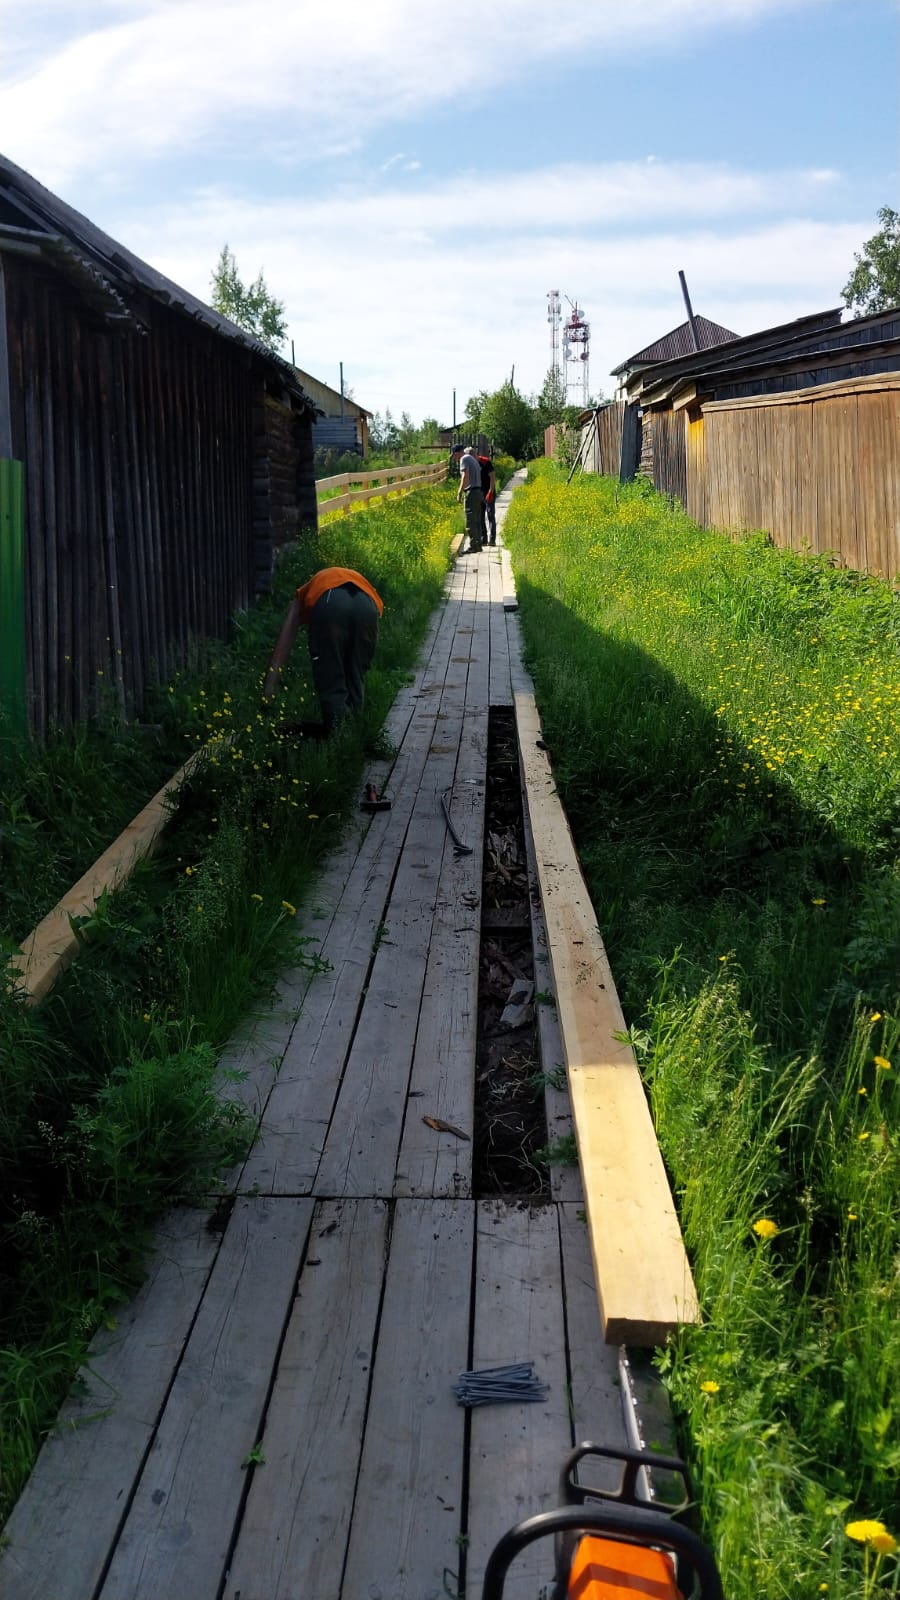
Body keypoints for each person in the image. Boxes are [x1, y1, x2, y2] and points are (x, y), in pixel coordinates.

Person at [264, 566, 383, 732]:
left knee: (331, 671)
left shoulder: (302, 594)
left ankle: (338, 734)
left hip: (329, 601)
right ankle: (355, 732)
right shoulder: (346, 577)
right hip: (367, 603)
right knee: (356, 673)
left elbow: (281, 648)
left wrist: (267, 694)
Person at [453, 444, 483, 554]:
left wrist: (459, 492)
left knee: (470, 521)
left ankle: (473, 546)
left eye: (454, 456)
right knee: (476, 520)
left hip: (471, 492)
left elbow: (465, 476)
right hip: (478, 491)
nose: (455, 459)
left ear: (456, 453)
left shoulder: (464, 459)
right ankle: (478, 545)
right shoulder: (472, 459)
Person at [476, 449, 497, 545]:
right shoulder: (473, 463)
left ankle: (492, 540)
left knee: (490, 515)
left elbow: (492, 476)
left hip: (488, 491)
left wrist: (491, 492)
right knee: (480, 516)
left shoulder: (485, 461)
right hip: (479, 492)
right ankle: (483, 539)